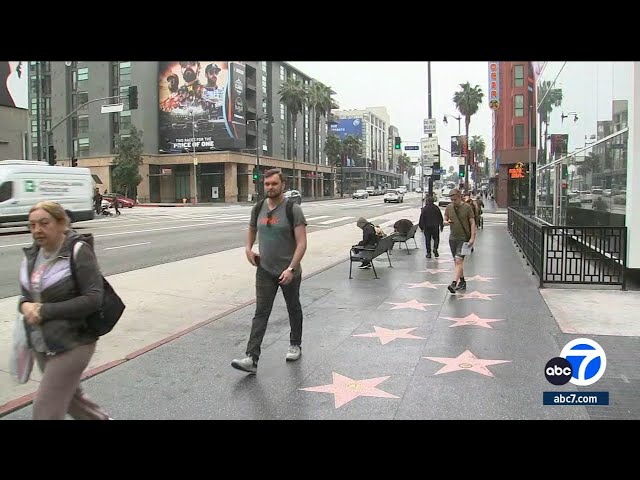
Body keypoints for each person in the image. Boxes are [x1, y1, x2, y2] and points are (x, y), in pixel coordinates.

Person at [18, 201, 111, 419]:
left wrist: (43, 310)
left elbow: (93, 299)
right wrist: (25, 306)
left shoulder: (78, 251)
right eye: (32, 225)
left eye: (44, 223)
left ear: (61, 223)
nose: (37, 230)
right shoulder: (32, 255)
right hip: (42, 342)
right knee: (72, 400)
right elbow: (26, 297)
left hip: (75, 341)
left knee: (45, 411)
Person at [231, 168, 308, 374]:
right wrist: (248, 248)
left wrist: (291, 268)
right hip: (264, 269)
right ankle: (251, 358)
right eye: (267, 184)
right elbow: (252, 229)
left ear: (283, 185)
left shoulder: (293, 209)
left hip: (288, 270)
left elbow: (301, 243)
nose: (270, 187)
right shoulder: (258, 208)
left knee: (293, 307)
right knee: (261, 312)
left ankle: (295, 344)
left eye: (274, 184)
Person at [443, 188, 476, 293]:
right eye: (451, 200)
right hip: (452, 238)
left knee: (458, 260)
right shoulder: (449, 207)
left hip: (464, 239)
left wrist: (472, 237)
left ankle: (454, 283)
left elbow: (472, 222)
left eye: (455, 199)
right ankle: (462, 281)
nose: (453, 202)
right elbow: (444, 219)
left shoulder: (467, 207)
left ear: (460, 197)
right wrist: (446, 222)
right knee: (457, 262)